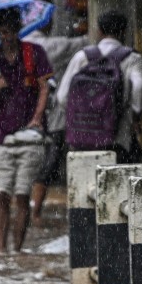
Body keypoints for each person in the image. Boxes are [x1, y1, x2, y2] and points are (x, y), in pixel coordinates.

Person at [0, 7, 53, 253]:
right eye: (3, 31)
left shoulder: (34, 53)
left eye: (11, 31)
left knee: (21, 196)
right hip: (1, 137)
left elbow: (44, 87)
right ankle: (1, 250)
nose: (7, 36)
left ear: (18, 30)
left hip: (30, 137)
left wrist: (37, 117)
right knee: (1, 194)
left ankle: (17, 250)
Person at [55, 10, 142, 165]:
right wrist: (135, 115)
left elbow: (62, 96)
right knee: (126, 176)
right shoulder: (132, 58)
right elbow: (139, 85)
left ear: (99, 31)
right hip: (118, 135)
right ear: (124, 31)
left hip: (82, 137)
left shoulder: (82, 56)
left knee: (85, 182)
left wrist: (81, 114)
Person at [26, 29, 90, 225]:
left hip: (27, 118)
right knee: (50, 163)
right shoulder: (52, 45)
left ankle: (29, 211)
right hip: (54, 116)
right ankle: (36, 212)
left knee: (34, 164)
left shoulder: (13, 53)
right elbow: (87, 41)